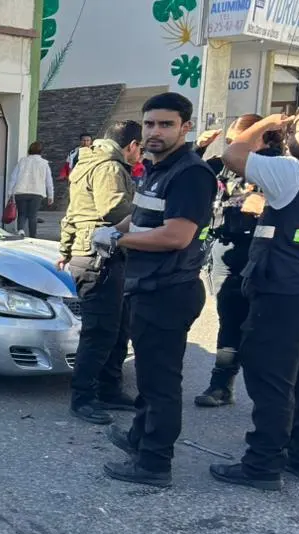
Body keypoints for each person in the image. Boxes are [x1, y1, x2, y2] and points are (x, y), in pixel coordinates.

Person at [92, 93, 217, 487]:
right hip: (147, 287)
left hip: (168, 290)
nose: (155, 132)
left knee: (160, 383)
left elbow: (177, 236)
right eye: (149, 124)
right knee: (147, 377)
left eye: (166, 124)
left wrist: (118, 242)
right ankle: (139, 439)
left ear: (185, 127)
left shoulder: (190, 174)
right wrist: (116, 229)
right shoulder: (157, 169)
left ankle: (154, 464)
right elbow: (143, 215)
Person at [206, 113, 299, 491]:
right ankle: (297, 455)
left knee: (271, 381)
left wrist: (268, 121)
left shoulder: (292, 172)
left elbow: (234, 154)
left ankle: (262, 465)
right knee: (298, 380)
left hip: (282, 292)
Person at [191, 115, 282, 408]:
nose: (232, 147)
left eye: (239, 141)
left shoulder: (279, 166)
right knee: (229, 318)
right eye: (230, 142)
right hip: (226, 250)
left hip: (265, 254)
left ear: (264, 136)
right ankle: (221, 385)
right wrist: (198, 148)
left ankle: (273, 397)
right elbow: (189, 175)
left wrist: (262, 206)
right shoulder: (224, 165)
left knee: (266, 325)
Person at [59, 121, 143, 425]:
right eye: (140, 148)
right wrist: (152, 210)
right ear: (132, 145)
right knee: (100, 332)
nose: (140, 155)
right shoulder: (109, 167)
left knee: (119, 328)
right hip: (99, 256)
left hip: (98, 253)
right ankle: (83, 397)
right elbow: (114, 210)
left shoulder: (87, 161)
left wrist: (65, 249)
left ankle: (109, 388)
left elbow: (72, 212)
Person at [7, 142, 55, 237]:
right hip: (36, 192)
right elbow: (49, 181)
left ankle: (21, 230)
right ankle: (33, 235)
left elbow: (13, 177)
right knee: (33, 215)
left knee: (22, 214)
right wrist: (50, 195)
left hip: (20, 191)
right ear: (41, 151)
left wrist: (10, 191)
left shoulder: (22, 161)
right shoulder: (44, 163)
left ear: (29, 150)